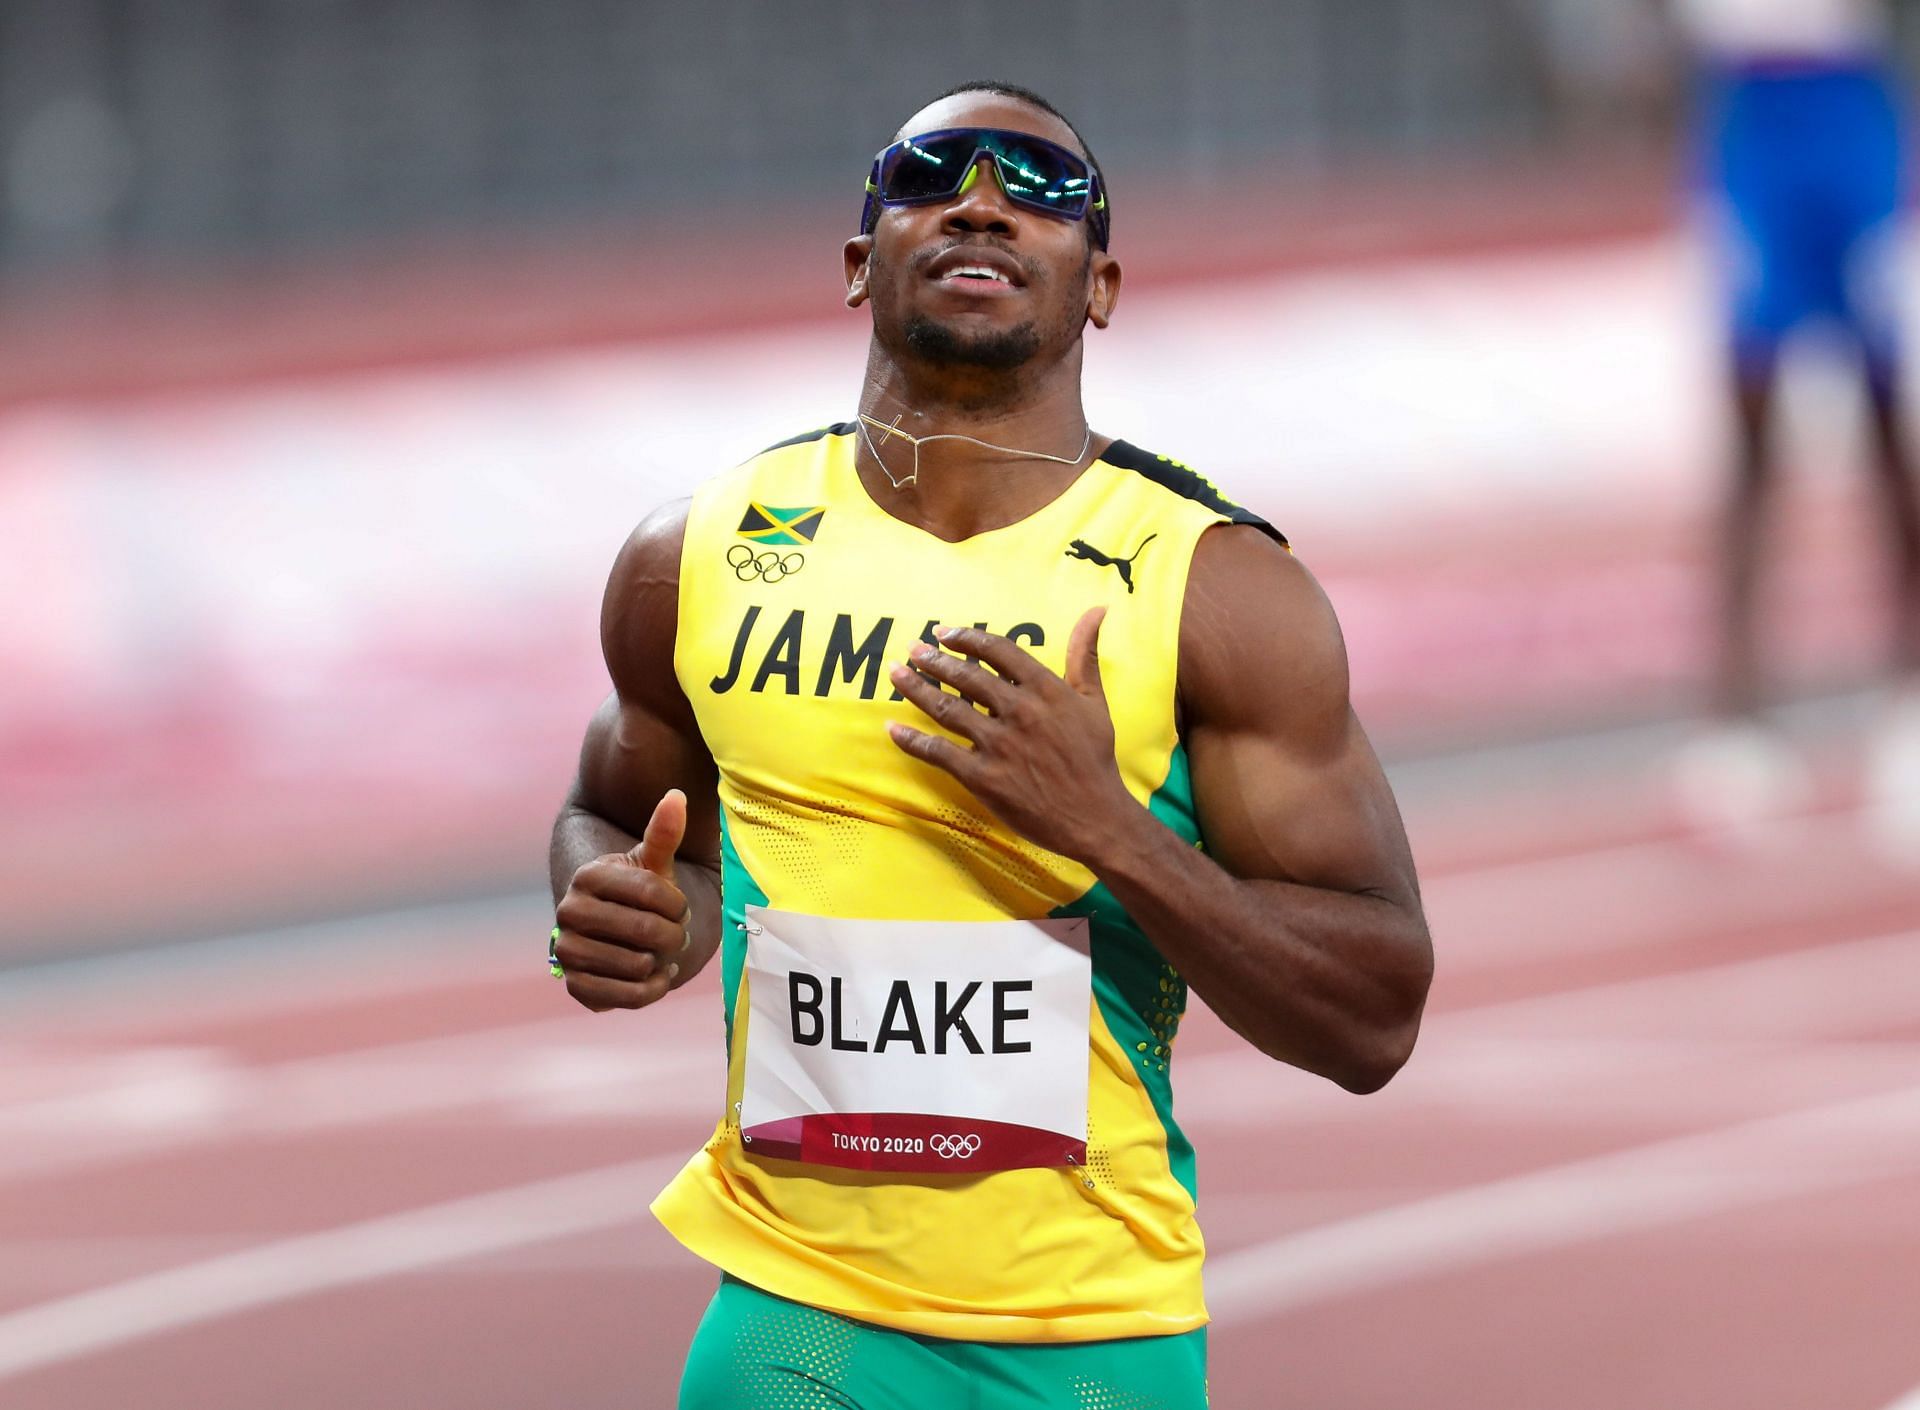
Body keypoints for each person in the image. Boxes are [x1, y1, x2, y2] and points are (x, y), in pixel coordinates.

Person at [548, 80, 1433, 1410]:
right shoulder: (704, 556)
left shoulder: (1211, 588)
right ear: (862, 262)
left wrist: (1113, 830)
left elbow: (1374, 1013)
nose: (983, 201)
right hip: (798, 1330)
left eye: (1042, 187)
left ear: (1103, 284)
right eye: (931, 173)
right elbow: (617, 819)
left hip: (1091, 1346)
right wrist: (629, 909)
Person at [1669, 0, 1920, 829]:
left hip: (1849, 108)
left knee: (1890, 424)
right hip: (1747, 118)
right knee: (1750, 435)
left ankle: (1909, 693)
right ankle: (1738, 716)